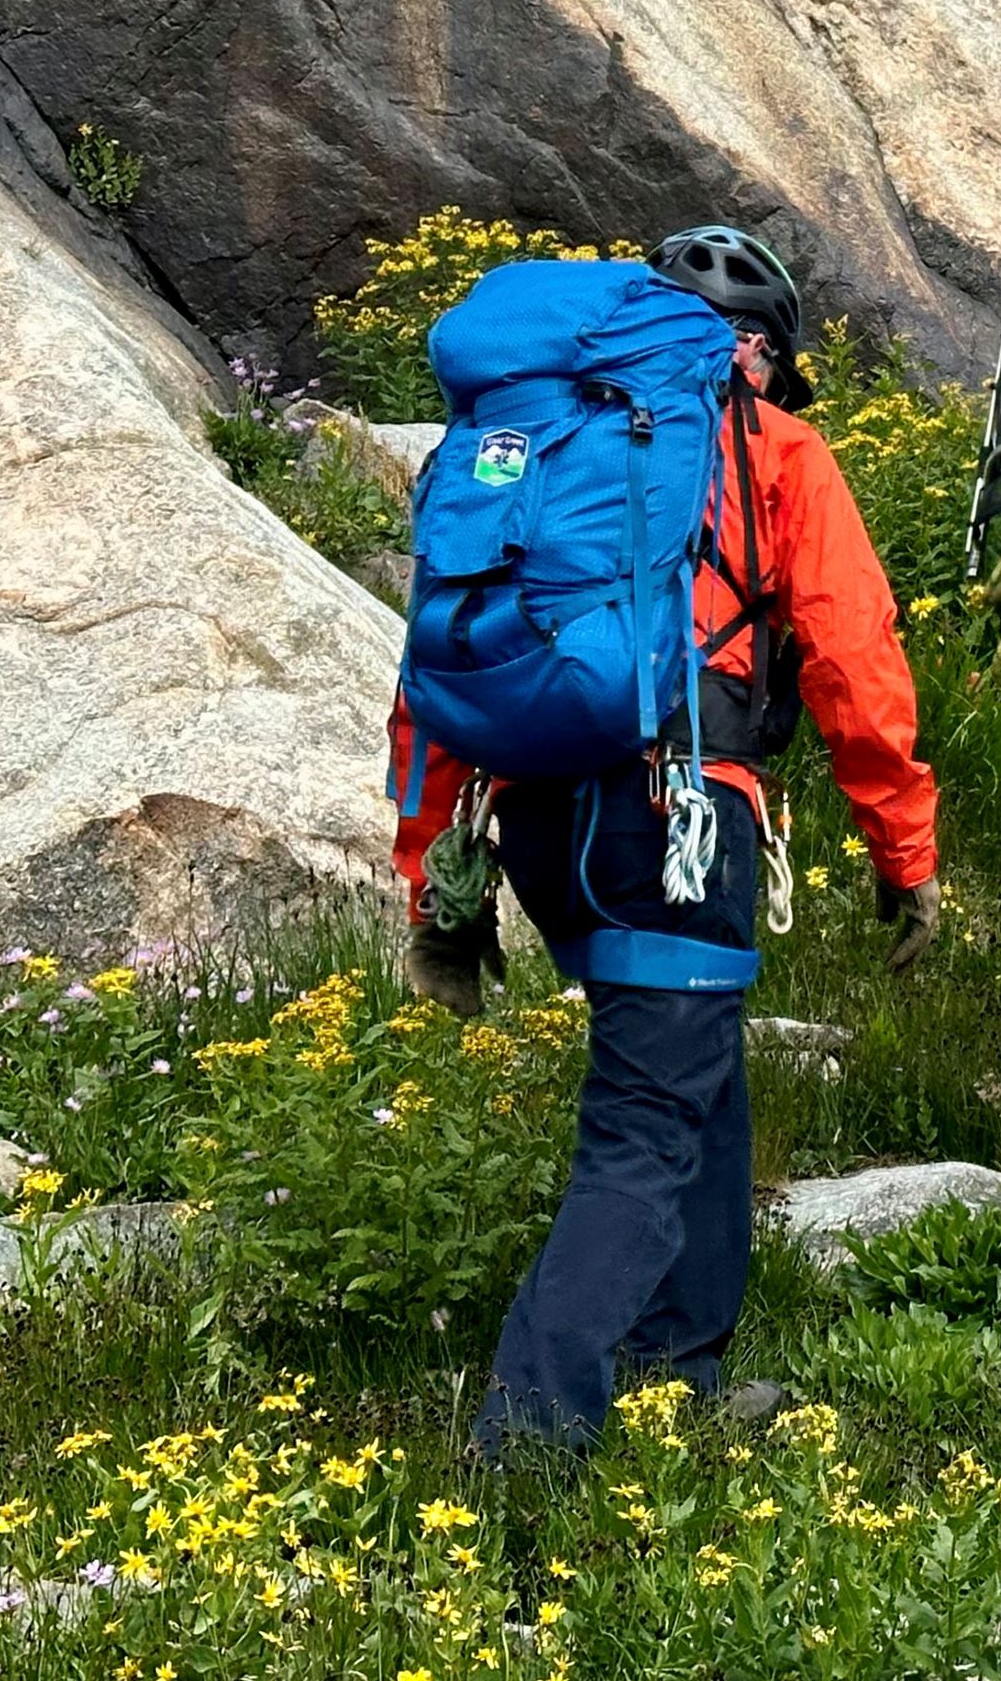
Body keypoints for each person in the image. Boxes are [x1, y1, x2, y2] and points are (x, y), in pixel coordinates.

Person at [388, 224, 941, 1453]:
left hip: (541, 824)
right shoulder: (772, 444)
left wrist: (434, 884)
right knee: (644, 1124)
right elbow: (854, 657)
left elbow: (437, 663)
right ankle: (527, 1444)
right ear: (768, 354)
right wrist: (904, 852)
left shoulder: (526, 443)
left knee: (693, 1072)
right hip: (679, 819)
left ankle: (679, 1365)